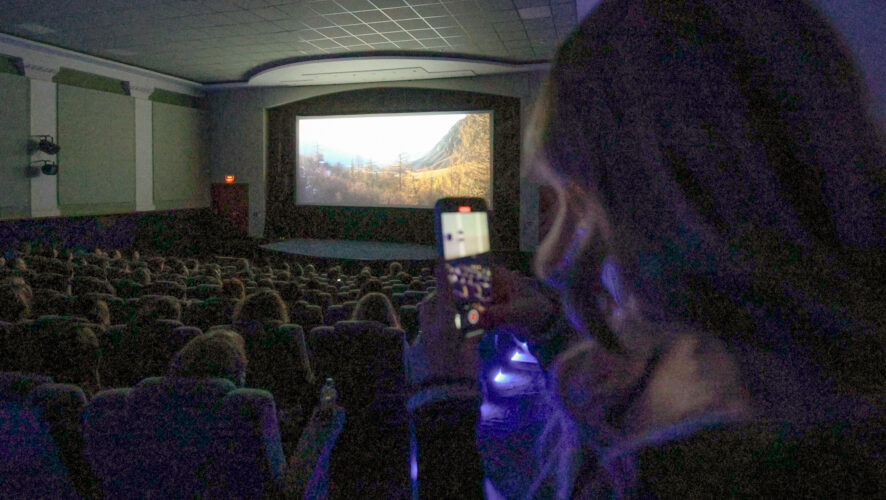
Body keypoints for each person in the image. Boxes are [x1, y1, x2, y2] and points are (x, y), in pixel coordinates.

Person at [409, 0, 885, 498]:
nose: (550, 260)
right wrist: (549, 328)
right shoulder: (823, 393)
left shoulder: (712, 469)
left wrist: (443, 398)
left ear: (680, 205)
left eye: (584, 205)